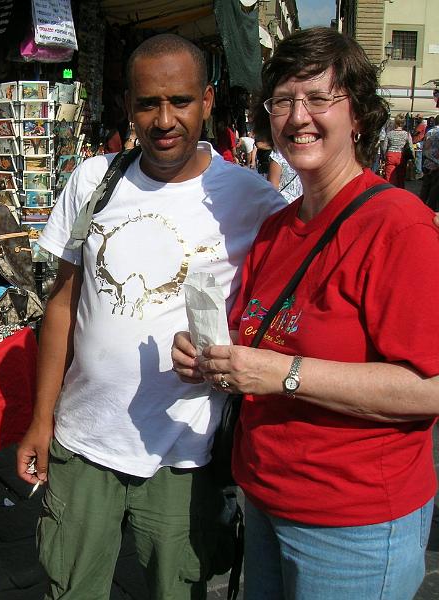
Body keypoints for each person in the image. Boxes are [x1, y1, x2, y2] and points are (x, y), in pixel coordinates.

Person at [16, 34, 286, 600]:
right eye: (148, 104)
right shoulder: (93, 181)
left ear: (207, 102)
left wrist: (227, 351)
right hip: (84, 438)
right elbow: (61, 306)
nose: (165, 120)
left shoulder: (252, 200)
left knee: (176, 587)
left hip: (184, 452)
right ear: (128, 107)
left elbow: (276, 316)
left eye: (181, 101)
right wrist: (41, 421)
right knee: (71, 585)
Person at [172, 27, 439, 600]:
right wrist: (209, 358)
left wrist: (286, 374)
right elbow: (255, 344)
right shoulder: (276, 228)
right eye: (284, 101)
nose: (299, 117)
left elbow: (430, 387)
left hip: (354, 526)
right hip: (266, 501)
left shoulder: (398, 225)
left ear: (358, 115)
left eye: (319, 98)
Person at [383, 113, 412, 188]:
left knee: (389, 177)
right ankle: (400, 191)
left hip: (390, 155)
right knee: (401, 177)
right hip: (401, 156)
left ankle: (390, 191)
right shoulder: (407, 134)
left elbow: (384, 147)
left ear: (395, 122)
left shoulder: (389, 133)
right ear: (403, 124)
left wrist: (384, 156)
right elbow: (411, 147)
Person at [420, 117, 439, 210]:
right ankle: (431, 209)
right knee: (434, 190)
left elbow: (425, 147)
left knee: (425, 187)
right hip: (437, 164)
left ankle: (420, 206)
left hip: (428, 162)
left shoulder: (430, 132)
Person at [412, 114, 426, 179]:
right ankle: (418, 171)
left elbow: (416, 132)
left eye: (418, 118)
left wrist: (413, 132)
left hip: (418, 142)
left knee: (418, 157)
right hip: (418, 142)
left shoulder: (421, 125)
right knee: (417, 157)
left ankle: (419, 172)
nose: (417, 120)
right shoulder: (421, 125)